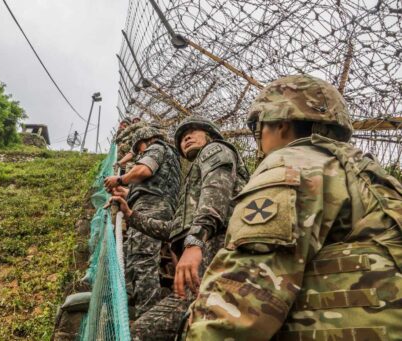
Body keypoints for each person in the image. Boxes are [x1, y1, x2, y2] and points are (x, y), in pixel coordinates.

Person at [184, 75, 402, 340]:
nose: (259, 139)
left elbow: (245, 297)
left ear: (282, 124)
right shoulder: (373, 175)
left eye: (259, 128)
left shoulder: (293, 164)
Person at [111, 116, 249, 340]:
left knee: (137, 334)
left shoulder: (215, 150)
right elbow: (172, 230)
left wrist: (195, 242)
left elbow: (216, 196)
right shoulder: (192, 180)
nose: (186, 137)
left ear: (211, 135)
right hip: (202, 275)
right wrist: (131, 215)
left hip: (218, 262)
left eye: (194, 131)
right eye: (183, 136)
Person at [105, 126, 181, 319]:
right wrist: (123, 192)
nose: (140, 153)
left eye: (139, 149)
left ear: (144, 141)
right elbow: (147, 188)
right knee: (138, 259)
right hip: (154, 206)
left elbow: (144, 170)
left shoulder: (157, 147)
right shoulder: (169, 158)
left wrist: (120, 179)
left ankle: (146, 319)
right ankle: (139, 311)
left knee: (143, 260)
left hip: (152, 208)